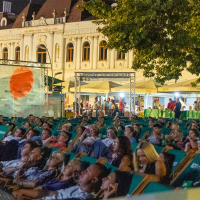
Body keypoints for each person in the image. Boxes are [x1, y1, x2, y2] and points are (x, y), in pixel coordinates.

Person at [12, 159, 89, 199]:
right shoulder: (57, 180)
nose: (65, 167)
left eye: (68, 166)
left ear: (74, 174)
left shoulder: (64, 184)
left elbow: (42, 191)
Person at [40, 163, 109, 200]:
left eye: (87, 171)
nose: (82, 172)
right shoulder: (75, 188)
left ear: (94, 180)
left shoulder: (83, 197)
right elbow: (49, 193)